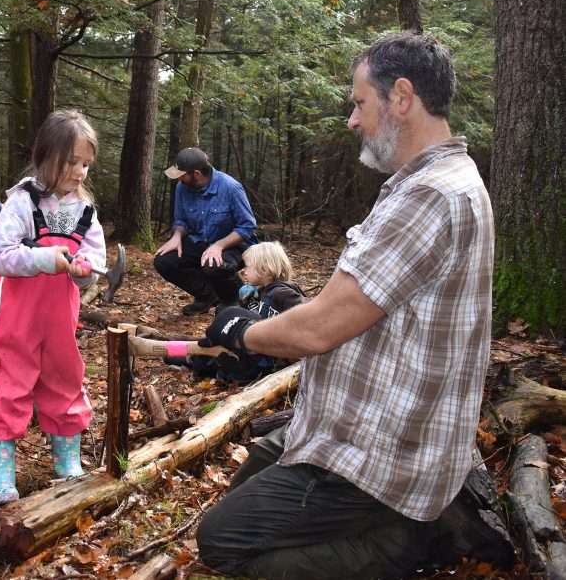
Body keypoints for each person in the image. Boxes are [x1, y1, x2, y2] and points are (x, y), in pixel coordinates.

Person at [195, 32, 512, 579]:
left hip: (386, 453)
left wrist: (239, 330)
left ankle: (405, 542)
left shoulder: (430, 196)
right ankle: (405, 523)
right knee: (250, 482)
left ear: (402, 97)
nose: (352, 119)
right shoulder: (425, 184)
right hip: (354, 425)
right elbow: (353, 305)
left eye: (360, 102)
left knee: (221, 542)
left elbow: (320, 329)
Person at [0, 110, 106, 505]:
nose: (80, 172)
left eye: (86, 163)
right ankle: (0, 471)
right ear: (46, 156)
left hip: (60, 319)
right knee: (9, 382)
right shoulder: (21, 202)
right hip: (15, 316)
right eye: (72, 162)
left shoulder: (85, 210)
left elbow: (95, 259)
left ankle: (67, 461)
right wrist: (44, 259)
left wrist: (86, 272)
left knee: (65, 378)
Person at [179, 241, 306, 384]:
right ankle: (170, 348)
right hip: (251, 350)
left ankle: (179, 355)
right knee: (203, 346)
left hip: (267, 360)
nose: (243, 271)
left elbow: (307, 315)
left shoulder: (282, 293)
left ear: (264, 268)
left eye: (247, 266)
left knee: (206, 359)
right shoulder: (257, 293)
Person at [154, 147, 257, 315]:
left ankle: (235, 300)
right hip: (200, 241)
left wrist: (219, 245)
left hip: (234, 245)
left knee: (214, 264)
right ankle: (207, 296)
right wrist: (177, 236)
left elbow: (247, 226)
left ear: (196, 173)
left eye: (181, 175)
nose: (178, 179)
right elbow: (181, 221)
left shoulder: (231, 188)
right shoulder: (182, 187)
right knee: (164, 261)